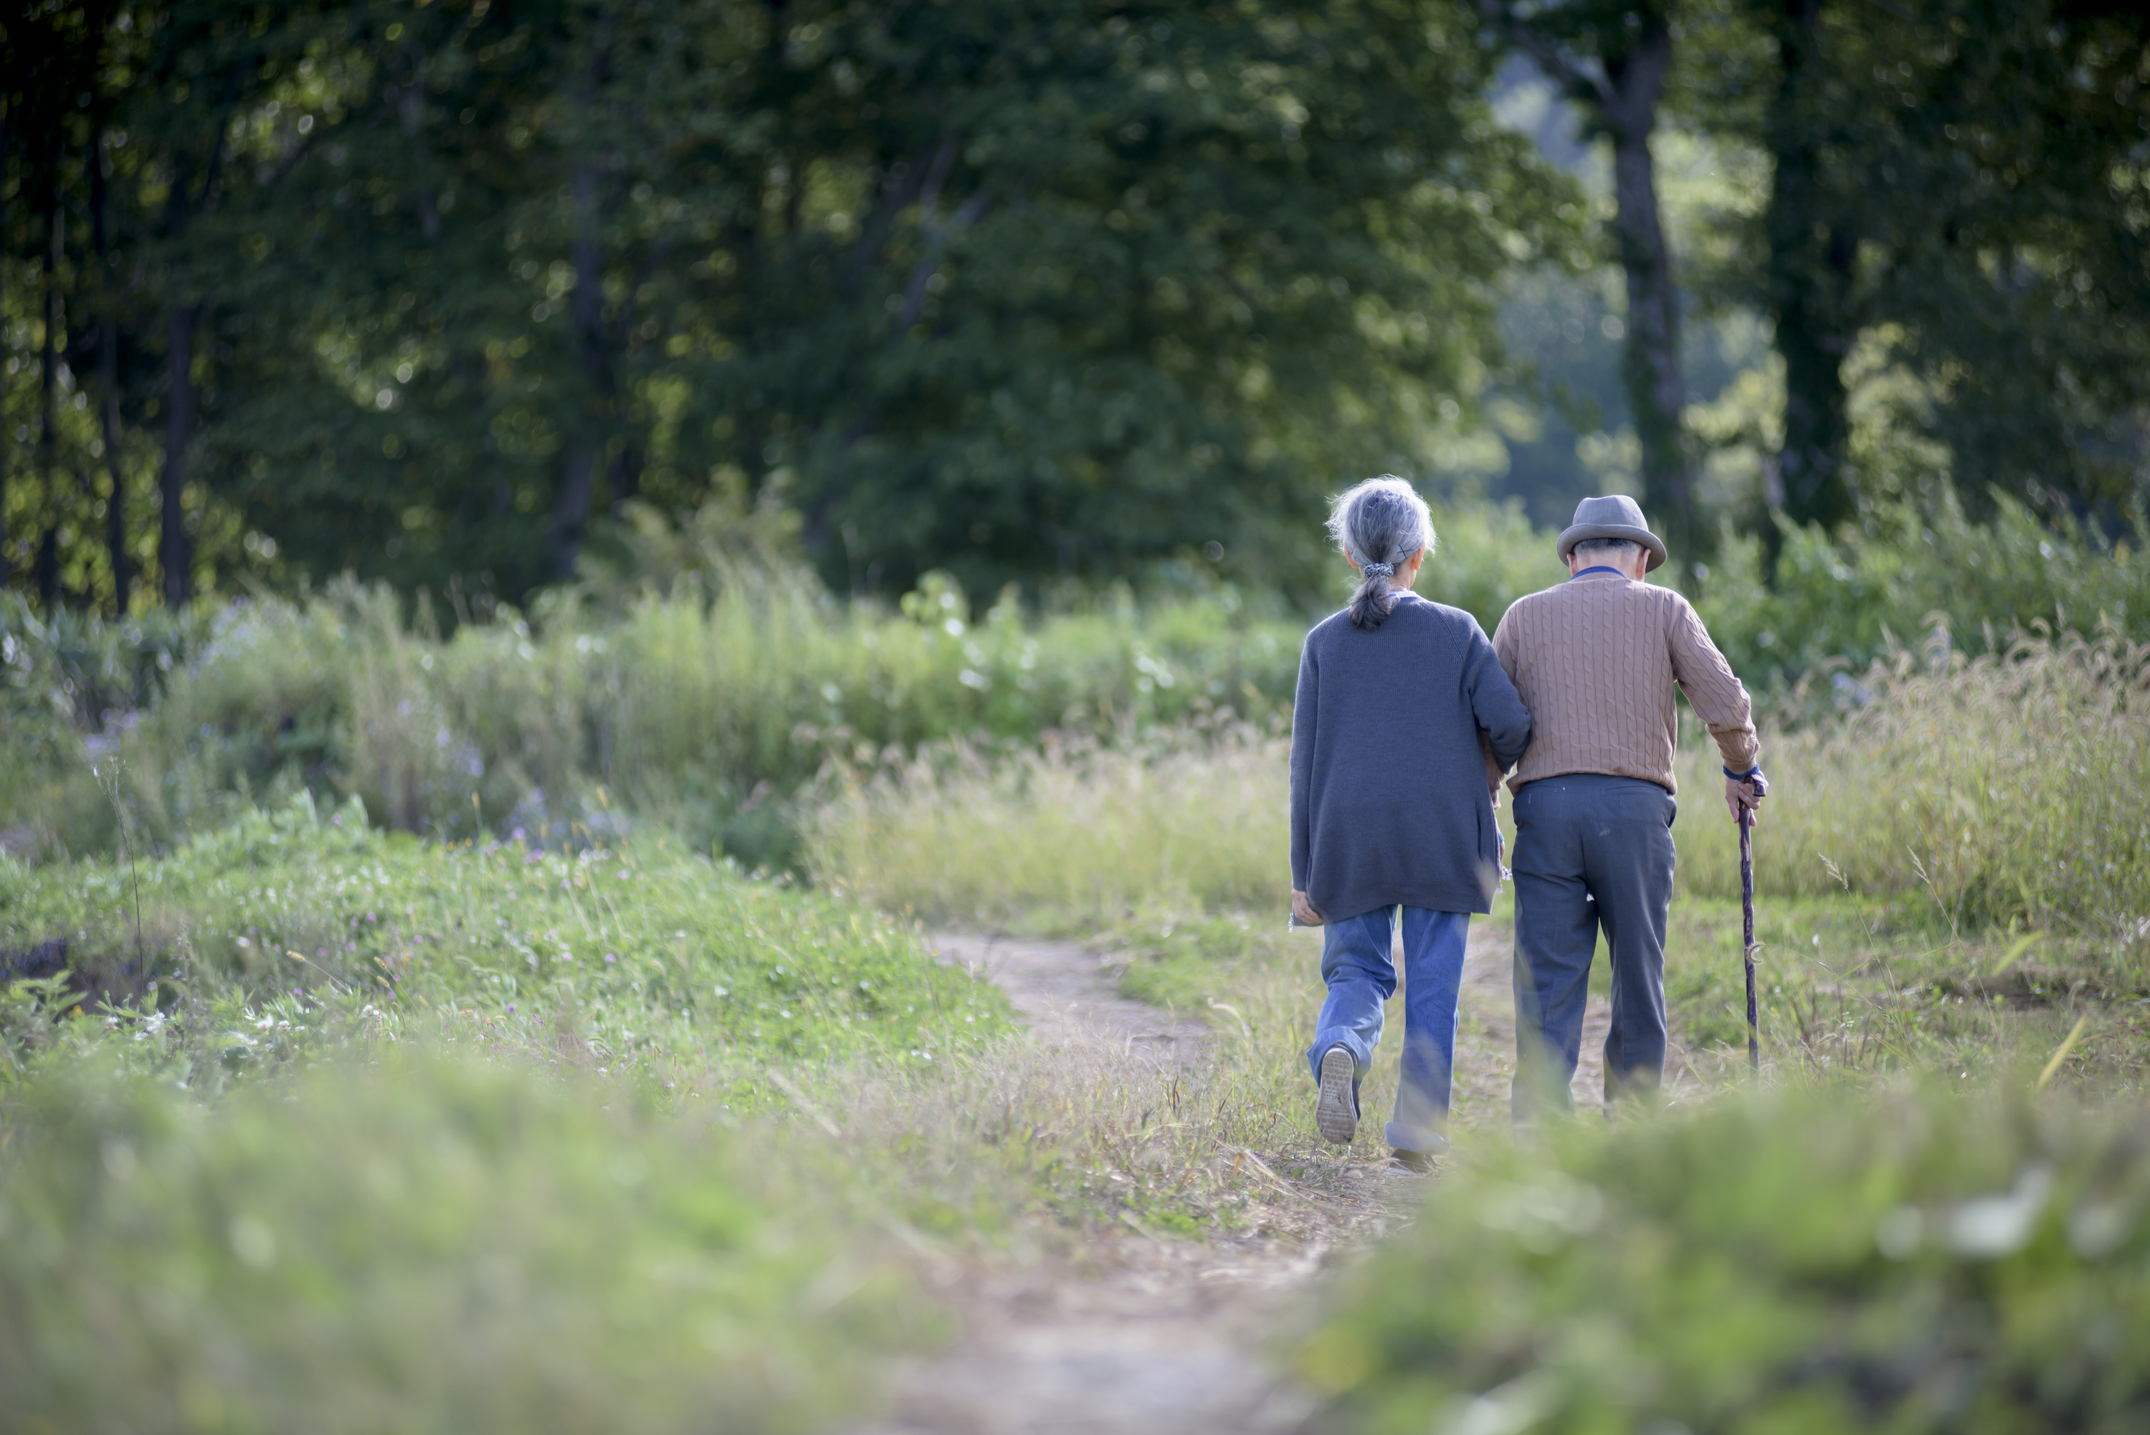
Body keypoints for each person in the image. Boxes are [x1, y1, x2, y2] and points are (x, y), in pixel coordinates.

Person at [1489, 494, 1766, 1116]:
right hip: (1635, 814)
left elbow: (1491, 725)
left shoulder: (1522, 617)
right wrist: (1740, 767)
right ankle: (1633, 1120)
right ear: (1641, 558)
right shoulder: (1666, 607)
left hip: (1546, 811)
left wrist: (1485, 802)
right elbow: (1725, 700)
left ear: (1572, 560)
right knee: (1638, 975)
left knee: (1547, 982)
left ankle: (1539, 1128)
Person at [1289, 476, 1532, 1170]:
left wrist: (1304, 876)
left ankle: (1343, 1045)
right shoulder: (1456, 630)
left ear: (1347, 552)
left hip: (1348, 832)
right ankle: (1419, 1136)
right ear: (1419, 553)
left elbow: (1303, 767)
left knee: (1356, 972)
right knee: (1434, 987)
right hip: (1442, 832)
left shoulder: (1322, 643)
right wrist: (1480, 763)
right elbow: (1512, 725)